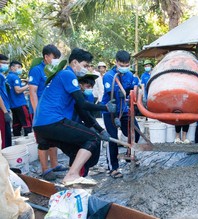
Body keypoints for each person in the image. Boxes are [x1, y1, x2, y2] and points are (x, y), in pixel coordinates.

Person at [33, 48, 116, 186]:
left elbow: (82, 111)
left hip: (41, 126)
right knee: (92, 138)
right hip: (52, 121)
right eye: (85, 65)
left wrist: (100, 129)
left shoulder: (64, 79)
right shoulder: (67, 74)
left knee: (76, 150)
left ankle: (75, 182)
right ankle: (72, 175)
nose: (86, 69)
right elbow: (83, 104)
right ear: (75, 62)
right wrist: (105, 107)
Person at [101, 50, 140, 179]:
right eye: (121, 65)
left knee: (135, 132)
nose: (124, 67)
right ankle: (113, 168)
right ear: (116, 62)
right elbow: (110, 94)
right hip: (110, 111)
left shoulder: (129, 75)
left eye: (126, 65)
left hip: (124, 110)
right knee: (112, 138)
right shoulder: (109, 76)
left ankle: (130, 153)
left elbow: (135, 89)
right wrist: (120, 93)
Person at [28, 44, 64, 181]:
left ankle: (54, 164)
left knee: (53, 139)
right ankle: (45, 169)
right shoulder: (36, 70)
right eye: (54, 58)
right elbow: (33, 92)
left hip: (52, 111)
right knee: (43, 141)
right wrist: (38, 113)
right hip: (41, 112)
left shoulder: (54, 70)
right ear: (46, 57)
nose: (56, 61)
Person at [6, 61, 32, 136]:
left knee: (16, 123)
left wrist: (25, 93)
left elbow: (13, 92)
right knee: (27, 122)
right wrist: (28, 85)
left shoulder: (8, 77)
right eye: (18, 67)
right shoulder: (15, 77)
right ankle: (28, 138)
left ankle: (16, 138)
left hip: (13, 105)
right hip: (20, 104)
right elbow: (17, 90)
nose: (20, 69)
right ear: (12, 67)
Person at [0, 54, 12, 148]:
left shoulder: (1, 75)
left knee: (7, 133)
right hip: (2, 109)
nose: (5, 65)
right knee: (5, 134)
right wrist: (5, 112)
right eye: (3, 63)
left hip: (5, 107)